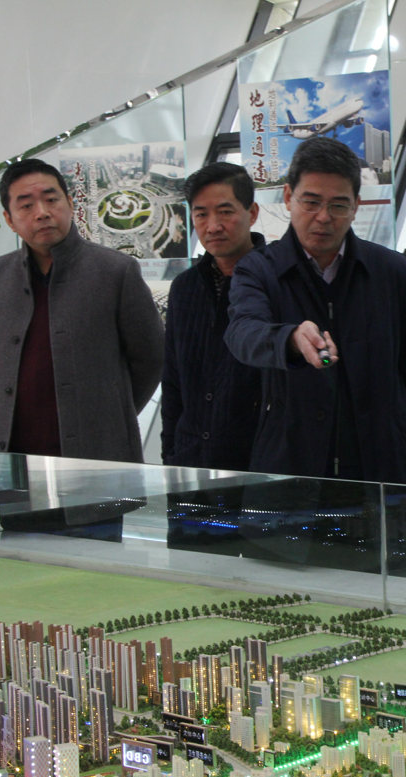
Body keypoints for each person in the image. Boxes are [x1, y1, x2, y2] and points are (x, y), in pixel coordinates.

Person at [224, 137, 406, 576]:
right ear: (288, 197)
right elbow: (242, 332)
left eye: (338, 205)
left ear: (357, 206)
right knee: (286, 610)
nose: (323, 217)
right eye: (311, 202)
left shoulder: (391, 272)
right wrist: (288, 338)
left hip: (376, 481)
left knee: (384, 611)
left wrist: (396, 434)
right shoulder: (259, 269)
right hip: (290, 480)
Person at [0, 159, 164, 535]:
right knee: (20, 565)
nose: (42, 212)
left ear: (70, 203)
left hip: (94, 467)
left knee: (96, 565)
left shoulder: (115, 271)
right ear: (9, 219)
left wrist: (108, 415)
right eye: (26, 205)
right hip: (17, 470)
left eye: (51, 199)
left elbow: (151, 358)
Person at [161, 162, 266, 555]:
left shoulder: (277, 281)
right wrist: (171, 458)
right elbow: (172, 382)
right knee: (192, 581)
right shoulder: (185, 287)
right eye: (201, 214)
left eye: (225, 211)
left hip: (257, 472)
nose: (213, 225)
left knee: (260, 582)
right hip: (192, 472)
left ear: (252, 212)